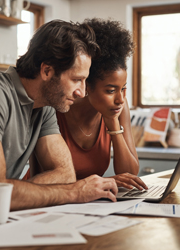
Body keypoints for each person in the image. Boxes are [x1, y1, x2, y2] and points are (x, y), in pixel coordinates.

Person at [0, 19, 118, 211]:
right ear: (46, 71)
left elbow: (65, 174)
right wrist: (74, 192)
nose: (81, 92)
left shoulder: (44, 106)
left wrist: (15, 192)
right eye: (77, 80)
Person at [55, 18, 148, 191]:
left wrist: (113, 123)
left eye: (123, 89)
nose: (120, 99)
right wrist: (105, 181)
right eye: (111, 91)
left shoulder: (118, 108)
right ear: (87, 85)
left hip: (87, 205)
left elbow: (130, 174)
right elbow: (50, 178)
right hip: (44, 203)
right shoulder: (58, 108)